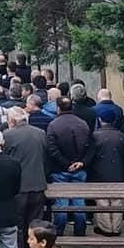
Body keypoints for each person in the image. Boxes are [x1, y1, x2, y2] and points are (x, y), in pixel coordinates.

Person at [3, 108, 47, 248]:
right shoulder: (40, 133)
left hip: (18, 188)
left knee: (18, 226)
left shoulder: (8, 135)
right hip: (38, 185)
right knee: (35, 225)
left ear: (12, 121)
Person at [46, 97, 93, 236]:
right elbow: (91, 146)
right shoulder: (83, 124)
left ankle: (59, 231)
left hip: (60, 169)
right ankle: (80, 231)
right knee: (79, 201)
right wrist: (82, 162)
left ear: (58, 108)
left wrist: (66, 164)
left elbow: (52, 149)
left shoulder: (53, 125)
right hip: (80, 168)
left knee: (61, 202)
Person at [89, 107, 124, 236]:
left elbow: (91, 155)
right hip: (119, 172)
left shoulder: (95, 135)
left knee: (102, 200)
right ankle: (116, 227)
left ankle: (105, 227)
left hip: (100, 172)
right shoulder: (121, 135)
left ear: (100, 119)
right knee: (117, 200)